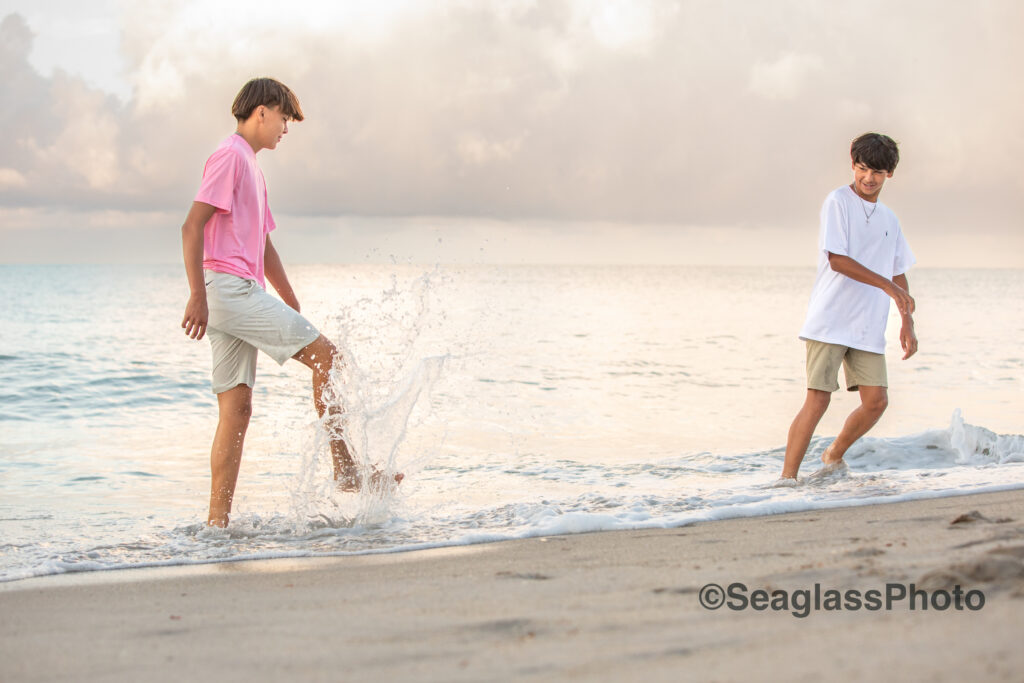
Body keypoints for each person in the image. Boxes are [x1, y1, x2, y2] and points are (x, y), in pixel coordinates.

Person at [180, 78, 398, 527]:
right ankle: (346, 469)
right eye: (284, 118)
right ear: (262, 111)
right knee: (329, 358)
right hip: (229, 291)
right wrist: (197, 296)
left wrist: (291, 301)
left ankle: (216, 526)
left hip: (238, 293)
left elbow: (263, 245)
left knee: (237, 408)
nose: (286, 129)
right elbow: (191, 226)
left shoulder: (252, 168)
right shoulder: (230, 156)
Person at [775, 132, 918, 485]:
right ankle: (787, 481)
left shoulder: (890, 219)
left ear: (890, 175)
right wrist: (888, 286)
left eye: (878, 172)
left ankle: (833, 455)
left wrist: (907, 321)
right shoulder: (837, 202)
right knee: (818, 400)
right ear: (853, 164)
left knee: (876, 403)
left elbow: (898, 268)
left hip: (868, 325)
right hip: (831, 319)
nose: (869, 178)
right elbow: (838, 260)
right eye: (863, 168)